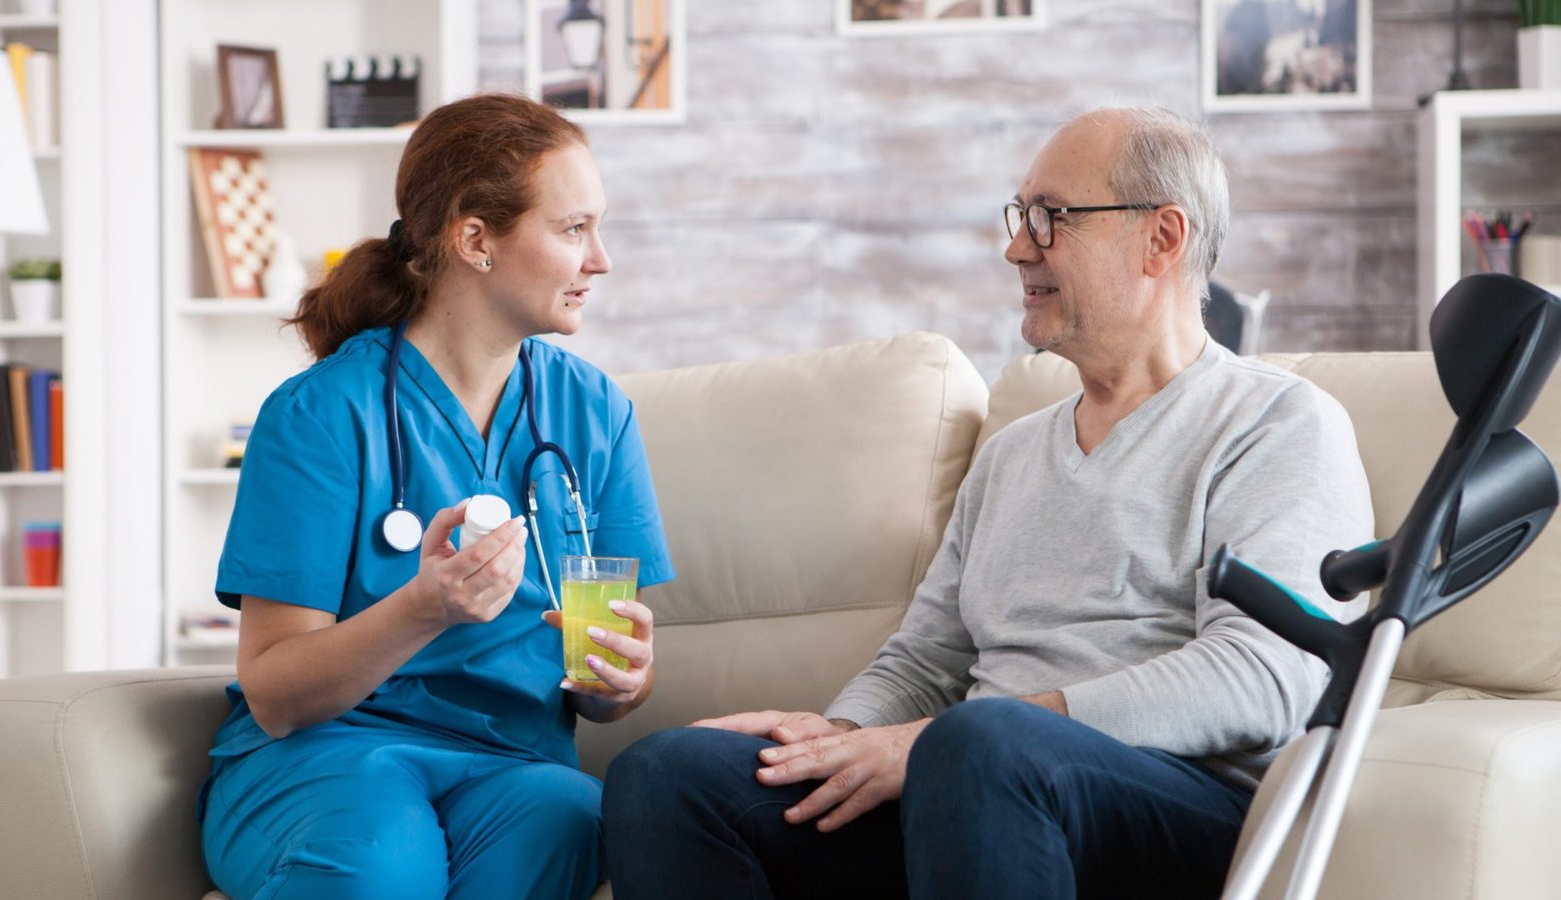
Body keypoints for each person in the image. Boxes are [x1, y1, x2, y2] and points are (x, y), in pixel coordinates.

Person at [600, 106, 1373, 899]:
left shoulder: (1278, 422)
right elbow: (926, 660)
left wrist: (951, 740)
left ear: (1163, 238)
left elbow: (1266, 677)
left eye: (1051, 219)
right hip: (969, 788)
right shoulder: (1011, 455)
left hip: (1175, 808)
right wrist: (839, 736)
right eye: (1020, 216)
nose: (1016, 247)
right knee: (670, 774)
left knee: (984, 742)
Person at [197, 93, 675, 900]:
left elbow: (604, 693)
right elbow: (277, 696)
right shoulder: (320, 414)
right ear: (476, 240)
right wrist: (423, 608)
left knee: (571, 821)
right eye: (573, 229)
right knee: (381, 865)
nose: (601, 260)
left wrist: (622, 683)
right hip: (327, 755)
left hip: (517, 764)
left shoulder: (594, 415)